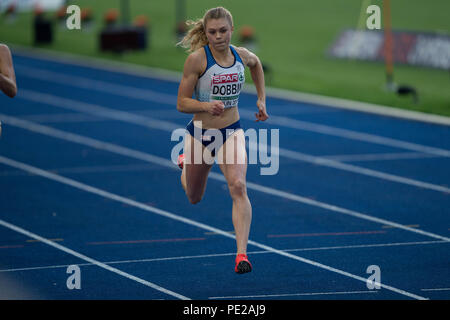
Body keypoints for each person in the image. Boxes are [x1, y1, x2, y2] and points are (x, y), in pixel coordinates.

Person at [176, 7, 268, 274]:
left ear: (232, 30)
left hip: (232, 131)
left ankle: (242, 254)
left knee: (238, 186)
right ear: (206, 33)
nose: (218, 37)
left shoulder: (241, 55)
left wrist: (261, 98)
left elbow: (257, 64)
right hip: (201, 135)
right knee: (194, 196)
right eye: (213, 32)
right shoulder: (196, 60)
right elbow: (182, 103)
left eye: (223, 31)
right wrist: (205, 106)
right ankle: (185, 165)